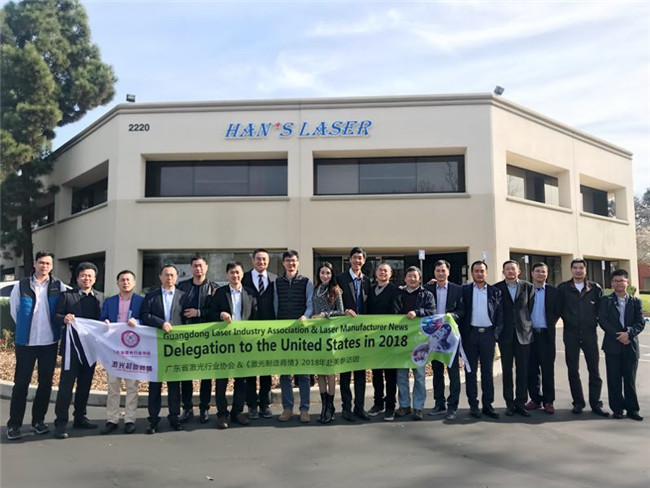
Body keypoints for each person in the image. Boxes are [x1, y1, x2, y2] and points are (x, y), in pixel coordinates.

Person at [6, 251, 67, 441]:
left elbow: (62, 309)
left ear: (52, 265)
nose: (44, 266)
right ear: (35, 264)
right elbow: (15, 310)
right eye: (41, 262)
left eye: (48, 263)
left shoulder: (58, 286)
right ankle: (14, 424)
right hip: (27, 342)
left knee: (45, 383)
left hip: (49, 342)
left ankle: (38, 421)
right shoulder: (22, 285)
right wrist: (25, 329)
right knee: (21, 384)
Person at [53, 262, 104, 439]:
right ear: (77, 278)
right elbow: (56, 316)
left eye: (90, 276)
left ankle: (80, 417)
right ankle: (60, 422)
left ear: (95, 279)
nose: (86, 279)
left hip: (90, 348)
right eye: (83, 275)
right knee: (66, 386)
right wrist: (64, 318)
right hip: (71, 349)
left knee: (85, 384)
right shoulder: (67, 296)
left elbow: (103, 319)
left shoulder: (100, 297)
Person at [207, 262, 258, 429]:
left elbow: (255, 317)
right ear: (227, 275)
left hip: (243, 343)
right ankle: (222, 414)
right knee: (221, 379)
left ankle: (237, 412)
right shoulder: (220, 293)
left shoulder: (250, 293)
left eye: (237, 272)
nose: (235, 275)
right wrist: (220, 314)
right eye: (232, 273)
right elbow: (211, 313)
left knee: (241, 379)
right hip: (223, 343)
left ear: (242, 274)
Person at [140, 264, 189, 434]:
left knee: (174, 384)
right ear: (160, 277)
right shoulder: (151, 296)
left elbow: (187, 319)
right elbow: (145, 315)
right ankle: (153, 419)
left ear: (177, 277)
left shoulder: (183, 296)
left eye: (172, 275)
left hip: (176, 347)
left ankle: (174, 416)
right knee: (155, 384)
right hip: (156, 345)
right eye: (166, 275)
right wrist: (161, 323)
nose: (169, 278)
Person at [558, 258, 608, 417]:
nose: (578, 270)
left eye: (581, 268)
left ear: (585, 270)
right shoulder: (563, 288)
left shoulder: (595, 288)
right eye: (575, 268)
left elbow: (601, 310)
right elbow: (558, 309)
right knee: (573, 370)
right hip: (570, 334)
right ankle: (578, 402)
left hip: (589, 334)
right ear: (571, 270)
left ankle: (596, 403)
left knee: (594, 370)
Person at [99, 270, 144, 435]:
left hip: (133, 349)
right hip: (113, 348)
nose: (125, 283)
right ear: (117, 283)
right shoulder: (110, 301)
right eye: (122, 280)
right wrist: (104, 322)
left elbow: (146, 320)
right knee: (113, 385)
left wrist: (137, 321)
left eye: (128, 280)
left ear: (134, 282)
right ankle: (112, 419)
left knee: (132, 385)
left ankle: (130, 419)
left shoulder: (141, 301)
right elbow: (101, 318)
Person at [598, 269, 645, 421]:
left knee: (630, 380)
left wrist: (628, 334)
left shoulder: (635, 301)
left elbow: (640, 322)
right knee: (614, 379)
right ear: (612, 283)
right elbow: (603, 320)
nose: (619, 283)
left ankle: (633, 409)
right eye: (615, 281)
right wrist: (619, 335)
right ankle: (617, 409)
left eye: (622, 281)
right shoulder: (606, 300)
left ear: (627, 282)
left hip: (630, 345)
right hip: (612, 345)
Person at [176, 255, 219, 424]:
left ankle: (204, 408)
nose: (198, 269)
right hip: (186, 337)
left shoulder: (214, 288)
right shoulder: (182, 287)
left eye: (201, 266)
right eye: (195, 266)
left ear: (206, 267)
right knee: (186, 373)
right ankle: (187, 408)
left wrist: (199, 313)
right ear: (191, 268)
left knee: (206, 374)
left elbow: (216, 311)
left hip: (206, 337)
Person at [459, 261, 503, 420]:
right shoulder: (464, 291)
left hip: (488, 336)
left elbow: (500, 315)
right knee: (470, 372)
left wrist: (495, 335)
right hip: (470, 335)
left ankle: (488, 405)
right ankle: (473, 404)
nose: (479, 273)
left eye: (482, 271)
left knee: (487, 372)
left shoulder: (495, 292)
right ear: (472, 273)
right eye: (476, 271)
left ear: (486, 273)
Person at [274, 250, 313, 423]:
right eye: (288, 261)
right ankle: (287, 408)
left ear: (298, 262)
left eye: (294, 261)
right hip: (283, 333)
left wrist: (306, 316)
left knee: (303, 373)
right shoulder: (277, 283)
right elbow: (275, 305)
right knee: (285, 374)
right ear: (283, 263)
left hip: (301, 332)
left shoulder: (306, 282)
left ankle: (304, 409)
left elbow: (310, 304)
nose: (291, 263)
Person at [423, 259, 464, 421]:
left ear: (448, 272)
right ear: (434, 273)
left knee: (453, 372)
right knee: (437, 371)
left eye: (443, 270)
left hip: (451, 336)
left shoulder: (457, 289)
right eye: (438, 271)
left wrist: (451, 316)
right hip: (433, 337)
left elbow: (462, 310)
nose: (440, 273)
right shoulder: (427, 289)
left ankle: (452, 406)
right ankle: (439, 403)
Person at [494, 260, 534, 417]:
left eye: (513, 269)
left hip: (523, 334)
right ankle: (509, 403)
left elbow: (530, 308)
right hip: (505, 335)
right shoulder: (497, 288)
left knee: (523, 370)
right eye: (507, 269)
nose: (510, 271)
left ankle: (521, 403)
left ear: (519, 271)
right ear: (503, 272)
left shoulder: (528, 287)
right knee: (507, 371)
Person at [395, 266, 435, 421]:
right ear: (405, 279)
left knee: (419, 375)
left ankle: (418, 407)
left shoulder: (427, 294)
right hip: (401, 340)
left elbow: (432, 311)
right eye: (409, 276)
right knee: (401, 375)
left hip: (420, 341)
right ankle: (404, 405)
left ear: (419, 278)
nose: (412, 279)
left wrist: (417, 313)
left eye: (415, 276)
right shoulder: (398, 294)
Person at [336, 247, 371, 421]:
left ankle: (359, 408)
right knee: (345, 373)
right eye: (355, 257)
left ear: (364, 261)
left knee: (360, 373)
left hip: (361, 334)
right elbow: (333, 301)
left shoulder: (368, 281)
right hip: (344, 333)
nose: (357, 261)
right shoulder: (340, 279)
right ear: (349, 259)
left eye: (360, 258)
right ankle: (346, 408)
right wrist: (343, 312)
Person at [241, 248, 277, 419]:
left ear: (268, 261)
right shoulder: (243, 278)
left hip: (268, 333)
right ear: (253, 260)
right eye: (258, 259)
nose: (261, 262)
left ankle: (264, 404)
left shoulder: (274, 279)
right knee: (250, 370)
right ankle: (251, 405)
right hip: (248, 331)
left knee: (265, 369)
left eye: (264, 259)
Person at [366, 262, 402, 421]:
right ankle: (378, 403)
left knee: (390, 375)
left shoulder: (395, 291)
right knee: (376, 374)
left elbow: (396, 313)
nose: (382, 273)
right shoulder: (370, 290)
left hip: (389, 339)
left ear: (391, 274)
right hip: (373, 339)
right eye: (380, 270)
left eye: (386, 271)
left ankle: (390, 406)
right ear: (375, 273)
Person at [525, 262, 562, 414]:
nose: (540, 274)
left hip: (546, 335)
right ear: (532, 274)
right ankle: (535, 399)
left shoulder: (554, 292)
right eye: (538, 271)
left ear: (547, 274)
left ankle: (548, 401)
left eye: (543, 271)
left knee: (548, 370)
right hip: (529, 335)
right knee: (531, 369)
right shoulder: (525, 290)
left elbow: (558, 311)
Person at [312, 262, 344, 423]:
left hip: (330, 334)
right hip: (316, 335)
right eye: (322, 273)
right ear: (319, 274)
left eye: (328, 273)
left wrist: (326, 314)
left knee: (330, 370)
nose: (325, 276)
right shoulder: (315, 289)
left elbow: (341, 312)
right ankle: (324, 406)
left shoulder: (336, 290)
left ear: (332, 275)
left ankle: (330, 406)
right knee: (320, 371)